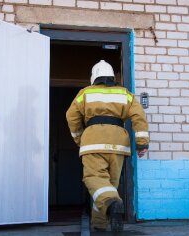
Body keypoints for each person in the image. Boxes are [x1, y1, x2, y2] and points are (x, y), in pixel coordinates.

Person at [66, 60, 149, 232]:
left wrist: (79, 139)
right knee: (108, 185)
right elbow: (139, 116)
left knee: (94, 180)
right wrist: (142, 144)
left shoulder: (85, 93)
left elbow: (71, 116)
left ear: (93, 77)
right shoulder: (125, 94)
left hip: (93, 143)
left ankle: (112, 203)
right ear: (112, 77)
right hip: (119, 144)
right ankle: (99, 224)